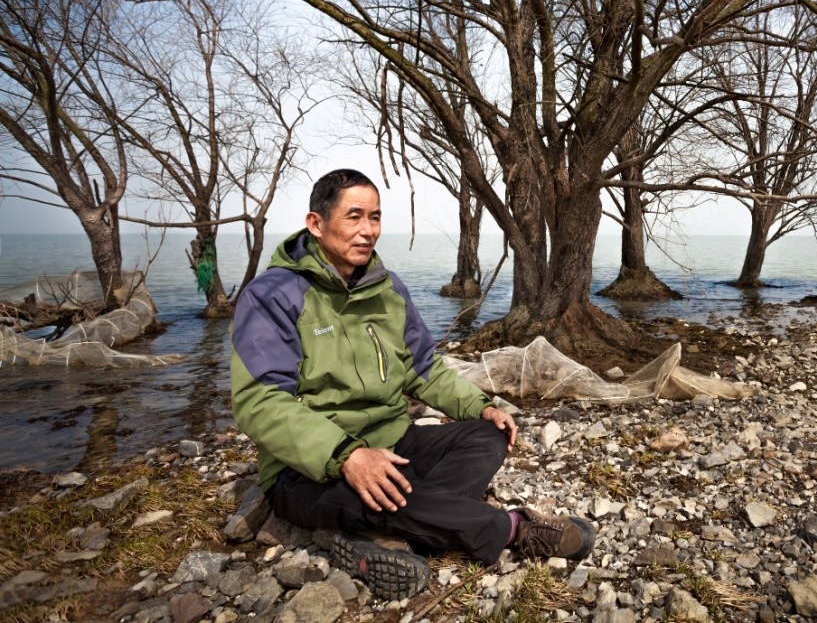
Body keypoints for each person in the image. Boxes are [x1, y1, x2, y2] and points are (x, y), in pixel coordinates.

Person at [230, 169, 595, 600]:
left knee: (488, 435)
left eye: (375, 217)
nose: (368, 231)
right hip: (308, 470)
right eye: (354, 217)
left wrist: (478, 406)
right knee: (376, 492)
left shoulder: (387, 290)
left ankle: (389, 534)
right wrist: (346, 456)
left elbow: (423, 367)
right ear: (316, 224)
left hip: (392, 441)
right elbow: (260, 401)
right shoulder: (272, 295)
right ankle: (510, 527)